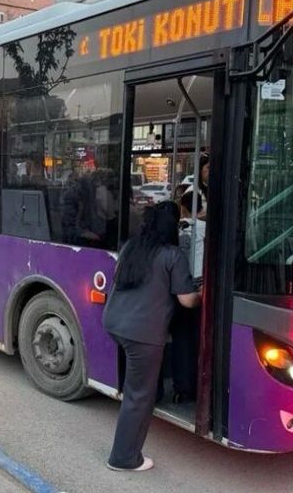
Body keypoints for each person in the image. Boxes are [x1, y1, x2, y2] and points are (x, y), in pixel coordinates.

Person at [102, 201, 201, 472]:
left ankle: (154, 393)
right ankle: (123, 458)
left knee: (139, 385)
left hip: (114, 323)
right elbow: (187, 300)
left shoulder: (131, 247)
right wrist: (202, 292)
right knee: (138, 397)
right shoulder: (172, 256)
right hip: (142, 334)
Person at [170, 191, 207, 403]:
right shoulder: (207, 229)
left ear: (182, 207)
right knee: (198, 338)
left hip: (181, 286)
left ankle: (182, 388)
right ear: (201, 208)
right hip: (202, 286)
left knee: (181, 340)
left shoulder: (175, 229)